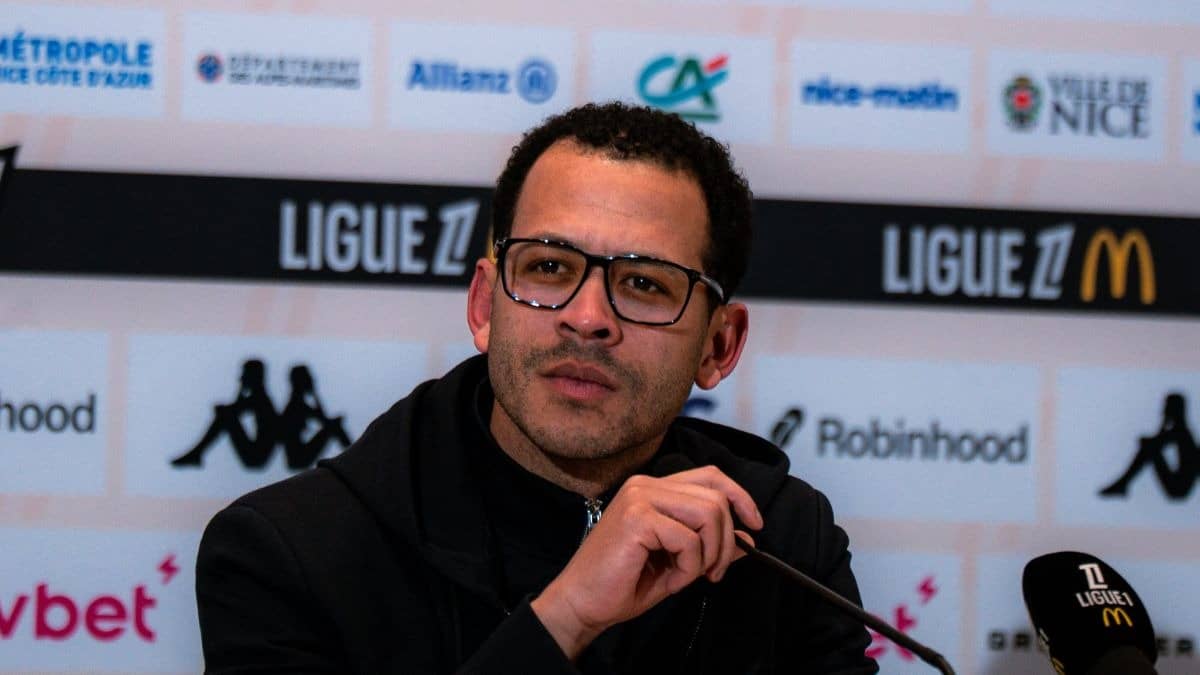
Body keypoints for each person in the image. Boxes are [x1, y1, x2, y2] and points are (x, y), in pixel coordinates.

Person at [195, 102, 878, 673]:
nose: (587, 318)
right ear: (484, 307)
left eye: (644, 283)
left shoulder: (783, 543)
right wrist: (566, 616)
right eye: (549, 267)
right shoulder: (289, 554)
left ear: (719, 345)